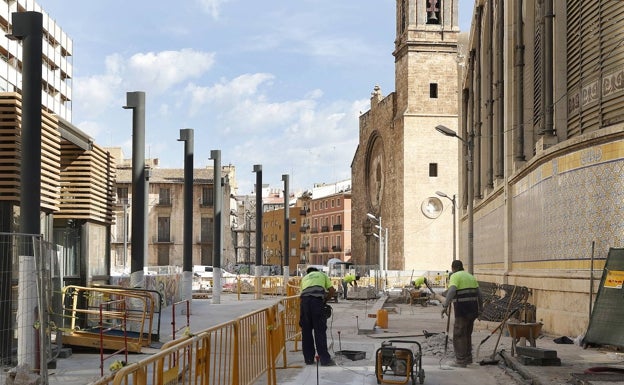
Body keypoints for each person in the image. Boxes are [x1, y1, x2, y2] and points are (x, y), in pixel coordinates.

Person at [441, 260, 482, 367]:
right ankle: (468, 359)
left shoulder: (455, 276)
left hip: (462, 310)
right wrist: (481, 308)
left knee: (459, 334)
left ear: (453, 268)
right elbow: (479, 293)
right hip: (473, 310)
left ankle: (460, 360)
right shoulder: (470, 276)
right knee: (467, 334)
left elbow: (452, 290)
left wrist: (445, 305)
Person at [299, 267, 337, 366]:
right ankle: (324, 360)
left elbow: (302, 294)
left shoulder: (304, 278)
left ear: (308, 273)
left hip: (304, 303)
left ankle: (308, 359)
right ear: (316, 271)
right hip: (317, 302)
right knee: (319, 331)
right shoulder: (322, 275)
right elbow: (332, 290)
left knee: (306, 332)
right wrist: (324, 301)